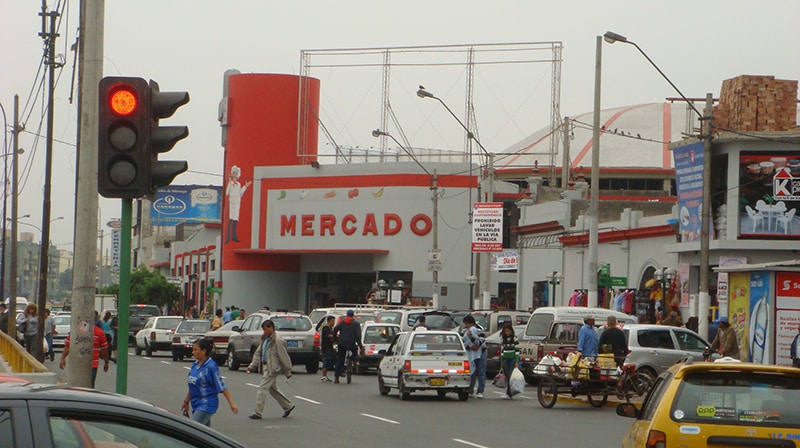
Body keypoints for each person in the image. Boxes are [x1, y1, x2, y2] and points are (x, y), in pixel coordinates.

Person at [181, 338, 238, 426]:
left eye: (196, 350)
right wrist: (186, 401)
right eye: (193, 350)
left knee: (194, 429)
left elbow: (221, 386)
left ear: (204, 351)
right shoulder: (195, 365)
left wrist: (232, 404)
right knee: (204, 433)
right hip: (195, 403)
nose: (193, 352)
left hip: (206, 404)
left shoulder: (211, 366)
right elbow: (193, 386)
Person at [246, 320, 295, 419]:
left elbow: (284, 357)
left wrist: (288, 372)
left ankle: (258, 412)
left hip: (272, 368)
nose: (264, 331)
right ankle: (288, 406)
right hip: (265, 366)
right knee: (273, 389)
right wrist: (252, 366)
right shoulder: (265, 339)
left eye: (266, 329)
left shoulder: (278, 341)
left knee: (262, 389)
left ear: (271, 328)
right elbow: (258, 353)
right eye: (263, 329)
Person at [59, 320, 110, 388]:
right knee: (89, 386)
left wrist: (62, 358)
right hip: (92, 364)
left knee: (75, 385)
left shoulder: (76, 331)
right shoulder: (99, 332)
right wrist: (106, 362)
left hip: (77, 363)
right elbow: (104, 349)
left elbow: (68, 345)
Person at [332, 310, 364, 384]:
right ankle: (354, 362)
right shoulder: (356, 324)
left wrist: (335, 339)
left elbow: (335, 329)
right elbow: (358, 337)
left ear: (347, 315)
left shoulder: (342, 323)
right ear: (353, 316)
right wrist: (361, 347)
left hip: (342, 343)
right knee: (355, 353)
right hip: (351, 344)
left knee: (340, 359)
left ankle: (336, 378)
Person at [462, 315, 486, 399]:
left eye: (467, 324)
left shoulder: (480, 329)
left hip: (481, 352)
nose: (466, 326)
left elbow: (481, 342)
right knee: (471, 372)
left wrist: (471, 338)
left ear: (471, 323)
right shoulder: (464, 330)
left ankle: (480, 391)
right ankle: (470, 389)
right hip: (470, 353)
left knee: (481, 371)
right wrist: (470, 347)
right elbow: (463, 342)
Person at [498, 323, 519, 400]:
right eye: (505, 331)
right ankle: (508, 392)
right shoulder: (503, 339)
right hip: (505, 359)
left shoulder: (515, 339)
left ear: (511, 331)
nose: (507, 332)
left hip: (512, 359)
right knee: (506, 376)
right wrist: (502, 361)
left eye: (508, 331)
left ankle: (509, 393)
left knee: (510, 376)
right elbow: (502, 351)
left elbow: (517, 351)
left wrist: (516, 361)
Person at [320, 315, 336, 382]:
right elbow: (329, 335)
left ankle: (325, 376)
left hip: (330, 347)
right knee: (326, 361)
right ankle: (323, 376)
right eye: (332, 321)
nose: (333, 323)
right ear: (329, 321)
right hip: (326, 348)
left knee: (329, 361)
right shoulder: (325, 328)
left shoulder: (330, 328)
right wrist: (334, 336)